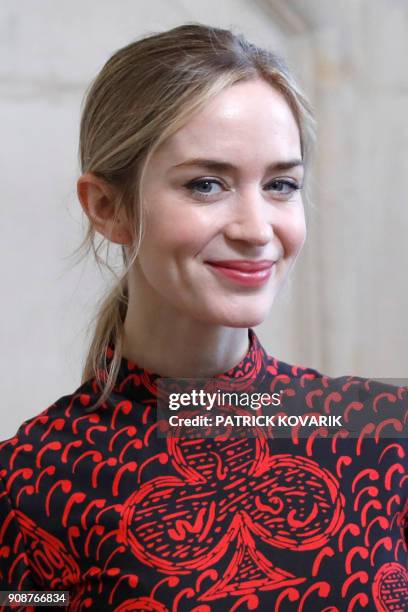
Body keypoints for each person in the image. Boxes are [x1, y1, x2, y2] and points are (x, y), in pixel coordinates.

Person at [0, 23, 407, 612]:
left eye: (281, 184)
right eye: (207, 184)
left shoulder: (379, 429)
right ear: (109, 208)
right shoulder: (27, 484)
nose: (256, 229)